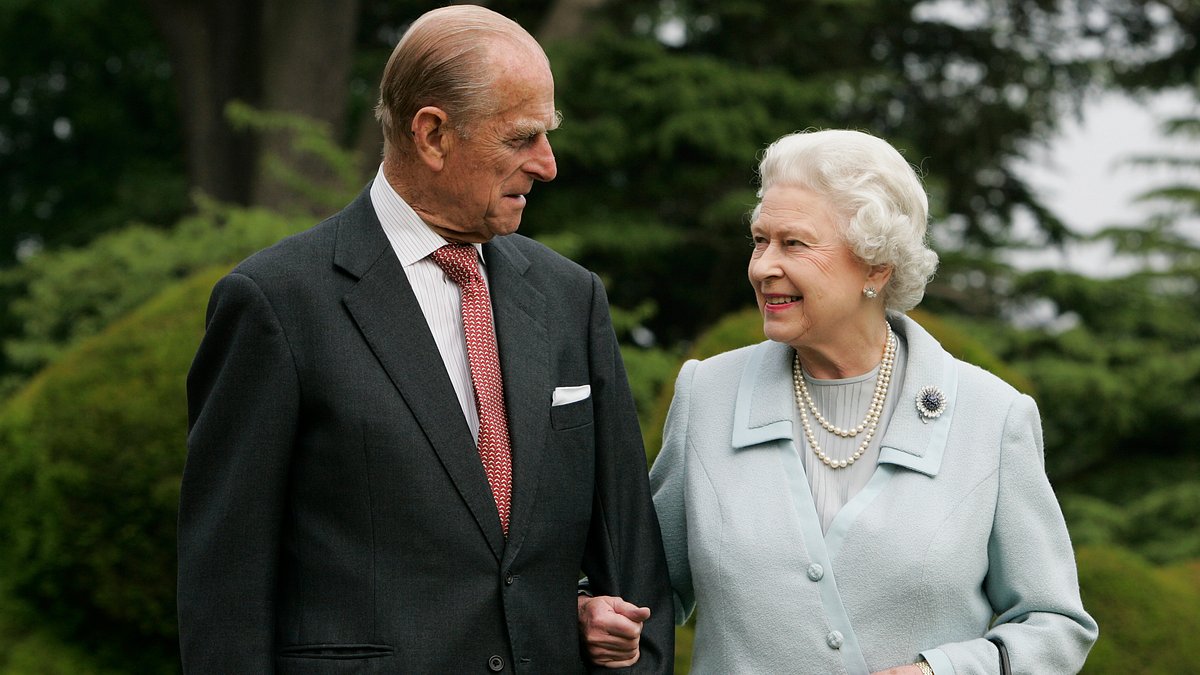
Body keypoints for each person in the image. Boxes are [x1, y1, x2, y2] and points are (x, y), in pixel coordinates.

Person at [178, 5, 673, 672]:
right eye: (522, 138)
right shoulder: (276, 303)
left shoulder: (571, 299)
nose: (548, 165)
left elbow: (632, 566)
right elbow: (224, 595)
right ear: (433, 134)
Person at [584, 129, 1098, 673]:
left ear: (876, 266)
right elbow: (643, 586)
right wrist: (596, 612)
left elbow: (1055, 626)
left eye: (794, 244)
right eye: (760, 240)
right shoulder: (706, 395)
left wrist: (943, 672)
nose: (762, 267)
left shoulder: (992, 417)